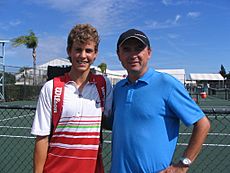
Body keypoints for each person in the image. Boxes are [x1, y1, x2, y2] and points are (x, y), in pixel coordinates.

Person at [110, 29, 210, 173]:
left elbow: (203, 124)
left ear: (149, 53)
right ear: (118, 55)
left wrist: (183, 164)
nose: (133, 55)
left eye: (139, 49)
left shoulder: (166, 84)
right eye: (126, 49)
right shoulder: (118, 89)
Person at [31, 24, 112, 173]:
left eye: (88, 50)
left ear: (95, 54)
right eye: (78, 49)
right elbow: (41, 138)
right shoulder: (51, 87)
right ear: (69, 51)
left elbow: (116, 122)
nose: (83, 56)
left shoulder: (104, 85)